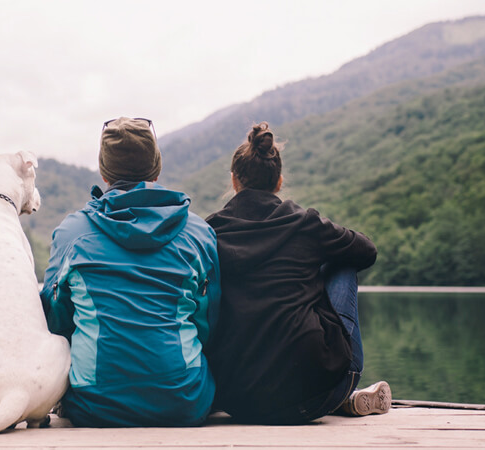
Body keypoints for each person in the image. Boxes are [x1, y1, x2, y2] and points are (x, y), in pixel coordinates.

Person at [39, 117, 220, 427]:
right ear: (157, 168)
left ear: (103, 173)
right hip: (184, 400)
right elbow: (208, 321)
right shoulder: (199, 233)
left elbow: (55, 318)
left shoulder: (71, 234)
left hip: (94, 403)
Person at [204, 122, 389, 425]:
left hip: (235, 400)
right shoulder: (305, 224)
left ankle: (339, 398)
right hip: (313, 398)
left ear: (234, 181)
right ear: (278, 181)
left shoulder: (211, 232)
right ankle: (343, 394)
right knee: (342, 262)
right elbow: (367, 251)